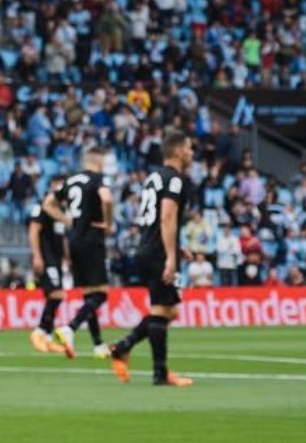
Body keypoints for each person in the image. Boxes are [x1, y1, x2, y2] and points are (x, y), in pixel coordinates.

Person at [108, 132, 195, 387]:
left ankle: (127, 348)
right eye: (189, 148)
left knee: (170, 310)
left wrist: (179, 248)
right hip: (158, 252)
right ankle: (157, 371)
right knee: (161, 311)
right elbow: (166, 217)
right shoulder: (175, 180)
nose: (192, 153)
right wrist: (171, 256)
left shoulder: (154, 177)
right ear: (178, 151)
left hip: (147, 247)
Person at [50, 148, 114, 359]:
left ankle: (98, 345)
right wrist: (108, 224)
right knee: (101, 293)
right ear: (97, 160)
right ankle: (70, 328)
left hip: (75, 238)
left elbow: (48, 204)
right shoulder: (97, 179)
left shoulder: (70, 180)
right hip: (92, 238)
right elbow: (106, 198)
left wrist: (68, 221)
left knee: (89, 294)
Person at [27, 176, 68, 355]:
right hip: (45, 256)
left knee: (55, 295)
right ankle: (40, 332)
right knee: (57, 294)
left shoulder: (62, 210)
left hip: (56, 257)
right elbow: (33, 230)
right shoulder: (42, 205)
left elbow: (62, 236)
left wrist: (67, 256)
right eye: (57, 184)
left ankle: (48, 338)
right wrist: (37, 256)